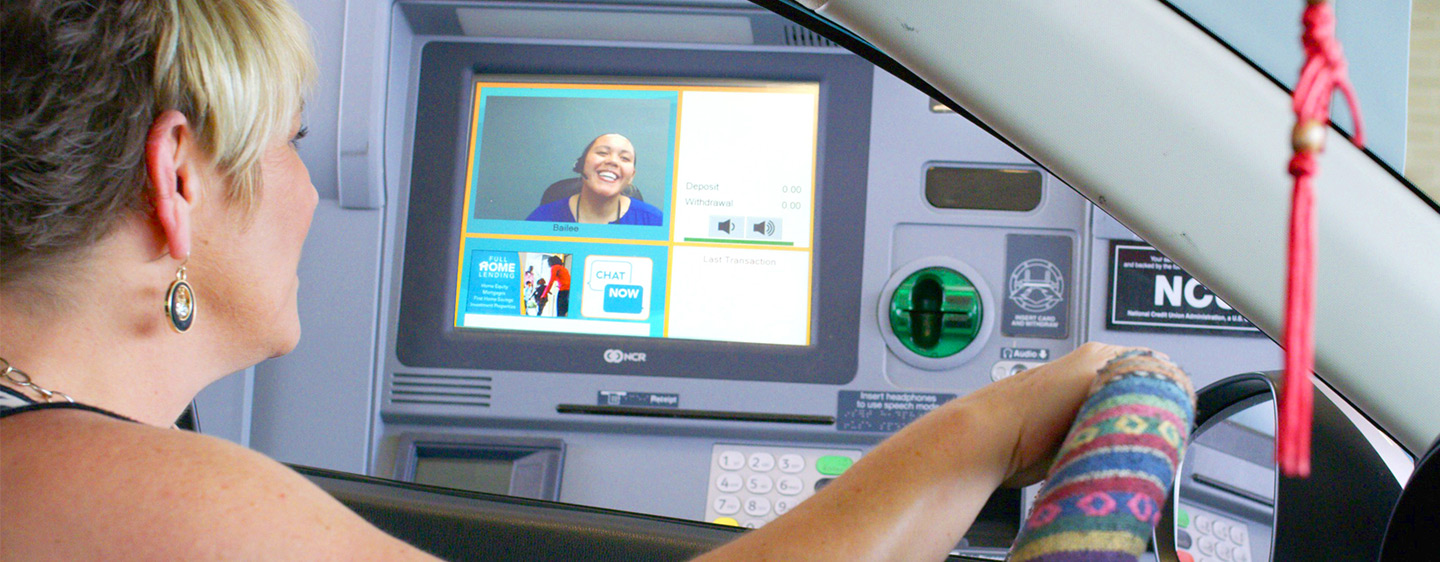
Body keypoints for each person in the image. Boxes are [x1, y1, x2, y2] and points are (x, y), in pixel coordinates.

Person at [0, 2, 1170, 560]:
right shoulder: (116, 492)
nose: (316, 193)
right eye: (295, 142)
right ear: (180, 180)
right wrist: (996, 420)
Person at [525, 133, 663, 226]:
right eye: (603, 153)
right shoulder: (541, 218)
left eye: (624, 158)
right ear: (582, 164)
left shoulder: (655, 222)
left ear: (631, 176)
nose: (613, 161)